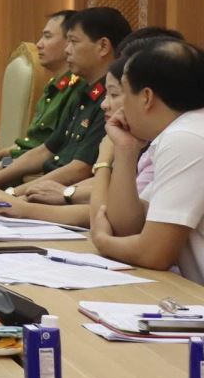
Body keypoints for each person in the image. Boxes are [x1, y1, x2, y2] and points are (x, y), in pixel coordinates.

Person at [85, 39, 204, 281]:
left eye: (124, 92)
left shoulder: (186, 137)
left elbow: (154, 254)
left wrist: (102, 241)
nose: (119, 107)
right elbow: (128, 228)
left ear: (146, 97)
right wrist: (125, 150)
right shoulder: (184, 131)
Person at [0, 7, 131, 193]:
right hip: (41, 187)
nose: (67, 50)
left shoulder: (110, 103)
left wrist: (16, 193)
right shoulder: (84, 93)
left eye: (74, 42)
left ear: (103, 46)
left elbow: (80, 169)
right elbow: (45, 150)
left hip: (62, 195)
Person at [0, 10, 79, 176]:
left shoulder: (76, 90)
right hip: (17, 164)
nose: (39, 44)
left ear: (69, 42)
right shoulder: (53, 86)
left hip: (32, 174)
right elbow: (30, 142)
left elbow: (48, 151)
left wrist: (0, 164)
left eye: (48, 37)